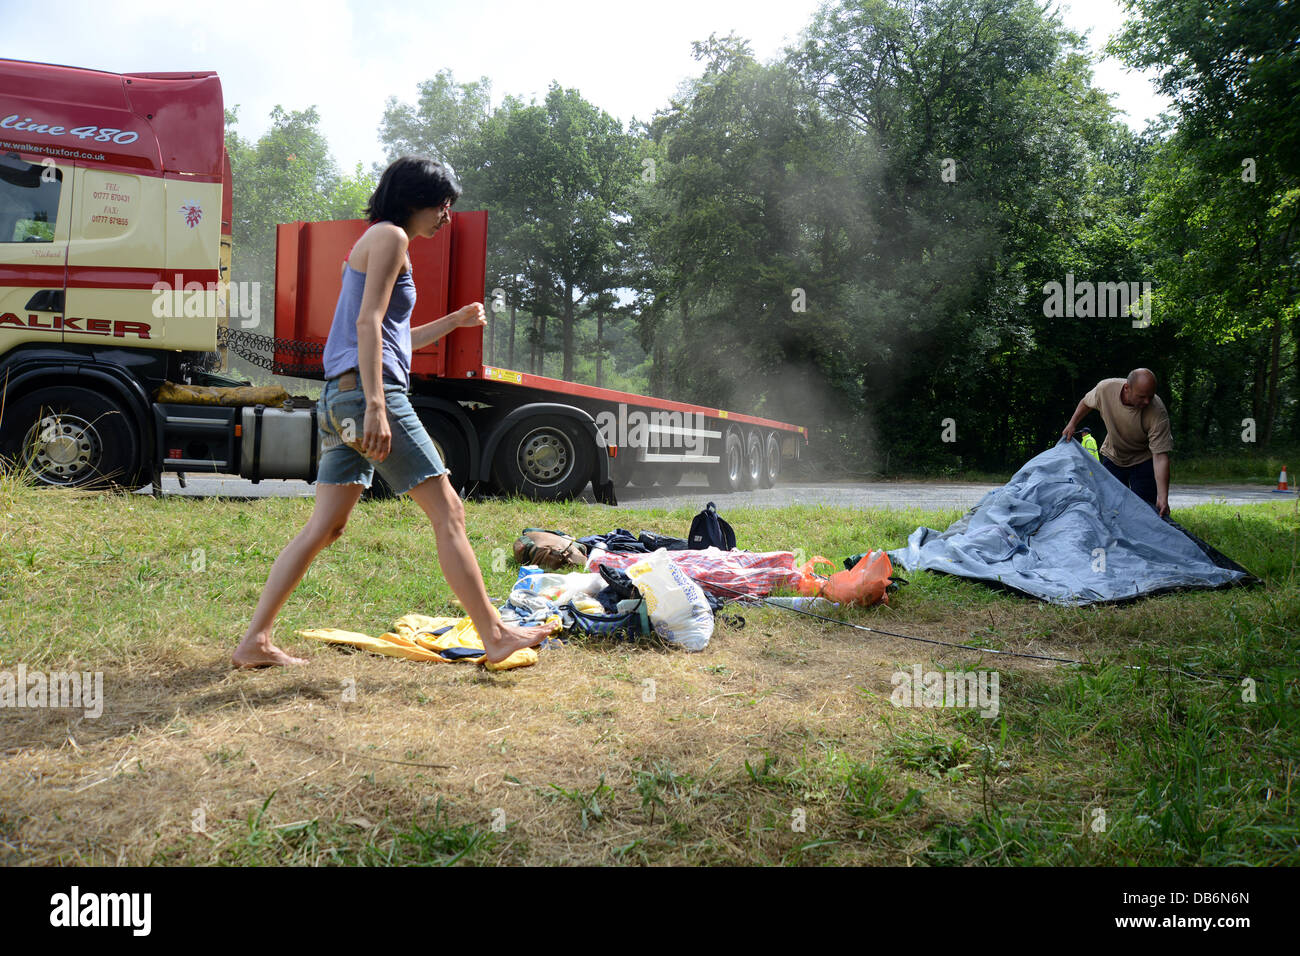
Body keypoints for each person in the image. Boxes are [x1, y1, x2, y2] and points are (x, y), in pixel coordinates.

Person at [232, 156, 555, 668]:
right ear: (414, 199)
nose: (447, 217)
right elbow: (368, 323)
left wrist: (455, 320)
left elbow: (392, 335)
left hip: (342, 400)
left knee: (326, 528)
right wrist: (379, 407)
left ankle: (255, 642)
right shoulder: (391, 238)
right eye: (443, 204)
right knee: (449, 510)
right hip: (364, 397)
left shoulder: (374, 241)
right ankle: (495, 636)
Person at [1062, 367, 1173, 517]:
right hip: (1113, 455)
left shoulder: (1157, 411)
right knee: (1111, 508)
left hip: (1143, 460)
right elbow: (1086, 402)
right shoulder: (1106, 389)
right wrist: (1072, 424)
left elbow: (1160, 456)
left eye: (1150, 396)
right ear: (1127, 388)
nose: (1147, 401)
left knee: (1144, 512)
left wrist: (1162, 497)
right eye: (1141, 396)